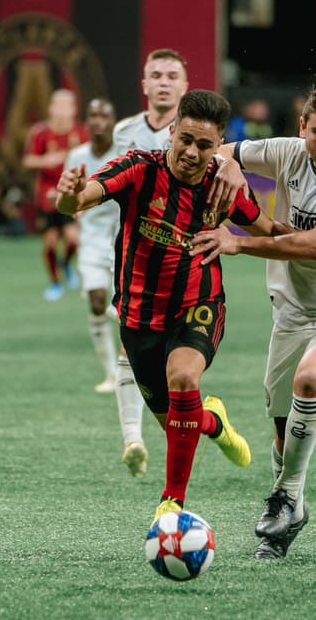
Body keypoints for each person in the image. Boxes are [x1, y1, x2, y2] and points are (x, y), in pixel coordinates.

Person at [190, 83, 316, 561]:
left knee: (311, 379)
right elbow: (217, 150)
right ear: (301, 128)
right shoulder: (286, 152)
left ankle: (284, 498)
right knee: (282, 429)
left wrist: (237, 240)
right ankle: (289, 515)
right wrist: (230, 165)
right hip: (293, 313)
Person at [53, 90, 269, 523]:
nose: (191, 152)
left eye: (204, 146)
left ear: (218, 147)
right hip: (138, 319)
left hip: (198, 304)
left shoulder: (222, 186)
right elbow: (79, 200)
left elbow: (269, 231)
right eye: (185, 139)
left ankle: (172, 503)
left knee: (185, 377)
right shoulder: (138, 168)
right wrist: (69, 195)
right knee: (179, 425)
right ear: (172, 132)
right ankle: (214, 422)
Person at [110, 49, 190, 479]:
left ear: (184, 85)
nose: (162, 81)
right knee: (130, 344)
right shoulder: (124, 133)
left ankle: (190, 427)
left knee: (174, 359)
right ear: (143, 84)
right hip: (131, 257)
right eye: (155, 75)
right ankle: (132, 439)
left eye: (171, 75)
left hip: (182, 261)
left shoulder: (194, 133)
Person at [64, 98, 123, 395]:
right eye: (93, 115)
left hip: (122, 237)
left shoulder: (124, 153)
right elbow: (68, 196)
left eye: (104, 115)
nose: (98, 121)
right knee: (97, 300)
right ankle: (110, 374)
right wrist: (71, 216)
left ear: (113, 121)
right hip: (91, 239)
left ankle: (129, 371)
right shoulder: (77, 156)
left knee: (124, 309)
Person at [22, 89, 89, 302]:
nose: (61, 111)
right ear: (51, 108)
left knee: (73, 239)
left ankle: (67, 264)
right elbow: (27, 160)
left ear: (73, 109)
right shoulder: (40, 133)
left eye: (66, 106)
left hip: (70, 193)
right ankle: (55, 282)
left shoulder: (82, 133)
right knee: (50, 242)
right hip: (47, 194)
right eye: (57, 105)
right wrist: (47, 160)